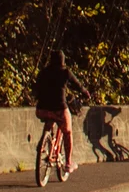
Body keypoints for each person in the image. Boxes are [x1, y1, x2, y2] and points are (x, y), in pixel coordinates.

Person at [34, 47, 89, 175]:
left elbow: (35, 87)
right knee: (68, 132)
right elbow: (77, 85)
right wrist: (85, 92)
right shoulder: (65, 72)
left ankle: (42, 144)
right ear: (62, 61)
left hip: (42, 109)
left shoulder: (43, 72)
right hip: (59, 108)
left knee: (49, 121)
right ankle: (69, 163)